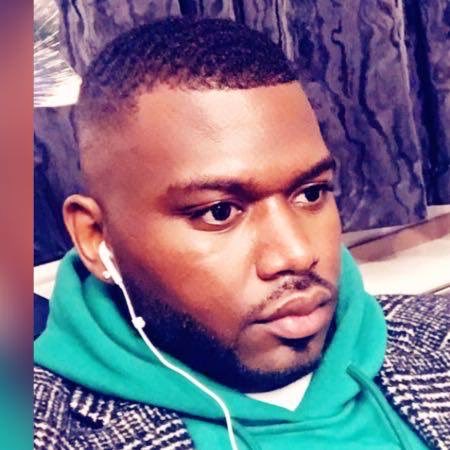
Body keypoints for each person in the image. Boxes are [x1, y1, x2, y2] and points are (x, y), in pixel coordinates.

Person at [34, 17, 449, 450]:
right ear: (97, 238)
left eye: (310, 193)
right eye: (219, 212)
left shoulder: (436, 334)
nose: (296, 253)